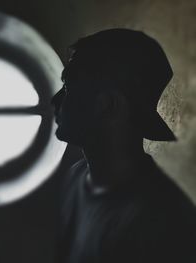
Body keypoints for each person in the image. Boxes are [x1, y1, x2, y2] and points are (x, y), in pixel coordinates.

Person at [51, 29, 196, 263]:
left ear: (108, 105)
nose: (55, 100)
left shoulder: (163, 219)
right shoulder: (77, 177)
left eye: (68, 87)